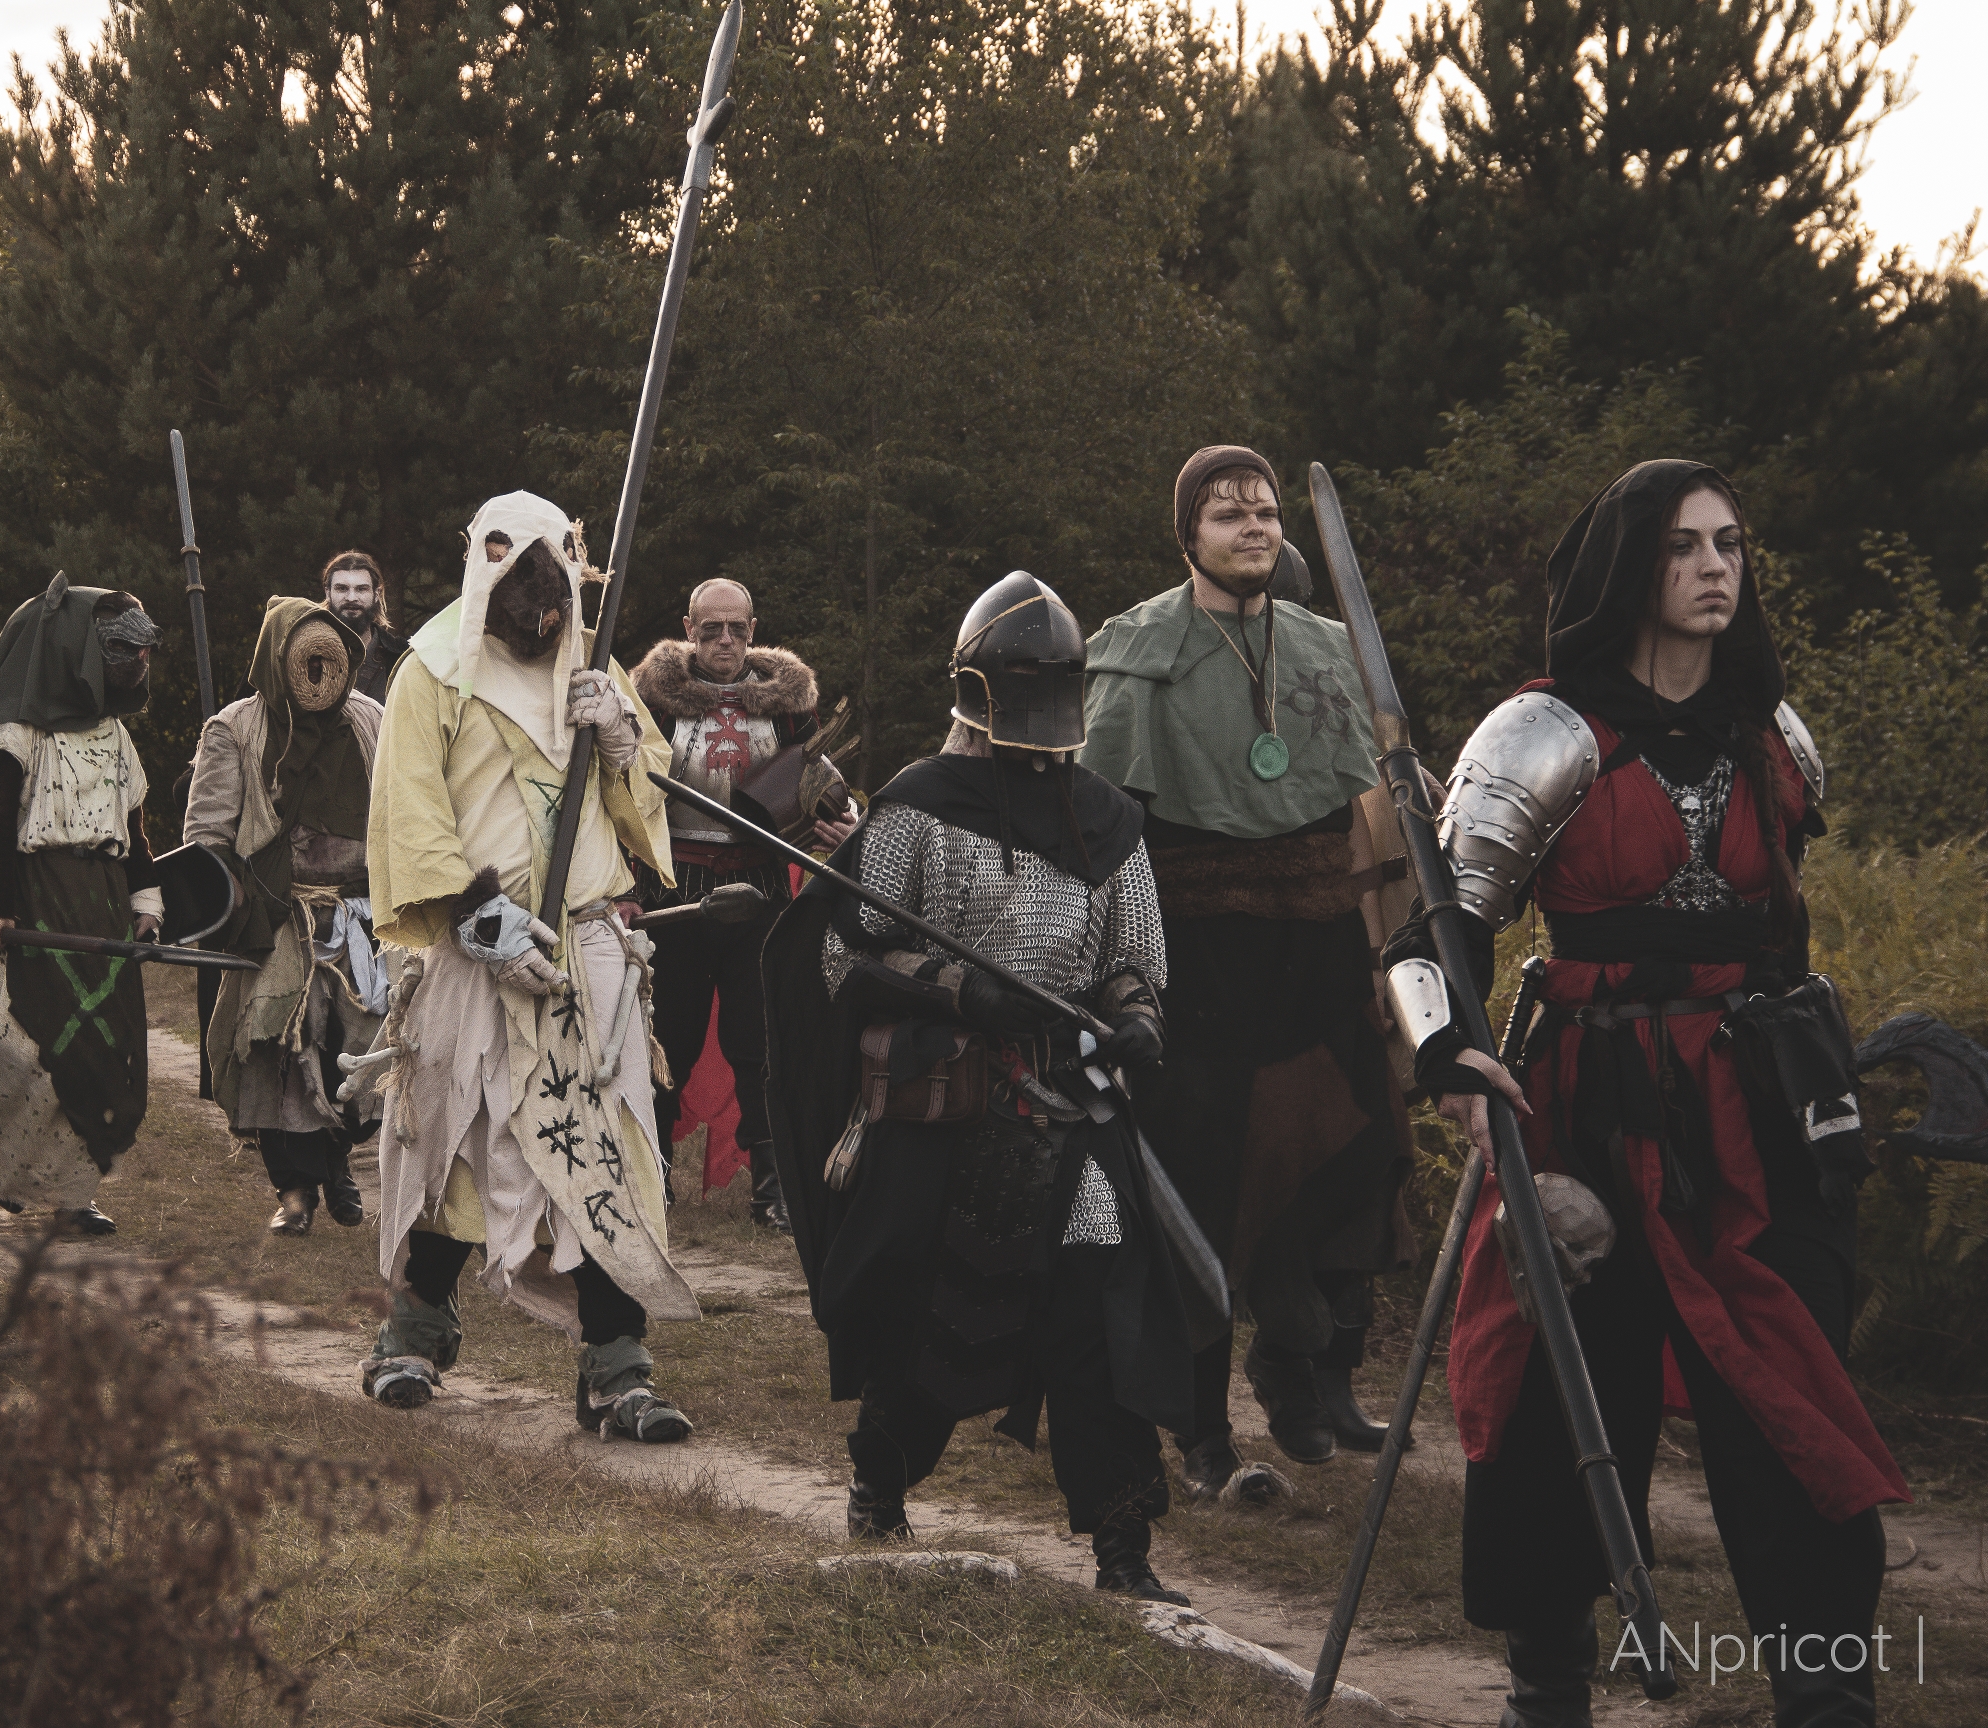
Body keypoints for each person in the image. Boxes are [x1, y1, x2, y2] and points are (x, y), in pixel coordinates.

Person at [1383, 461, 1903, 1728]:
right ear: (1630, 568)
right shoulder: (1541, 734)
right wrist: (1449, 1060)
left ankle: (1824, 1690)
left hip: (1757, 1116)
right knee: (1560, 1394)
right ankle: (1548, 1685)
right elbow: (1430, 940)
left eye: (1730, 544)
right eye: (1684, 547)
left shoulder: (1775, 736)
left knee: (1793, 1388)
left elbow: (1785, 934)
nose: (1716, 568)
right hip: (1587, 1110)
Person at [760, 571, 1198, 1602]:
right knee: (932, 1307)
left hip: (1071, 1106)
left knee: (1098, 1310)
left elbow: (1133, 959)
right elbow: (847, 954)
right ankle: (881, 1484)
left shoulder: (1107, 819)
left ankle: (1124, 1548)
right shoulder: (919, 804)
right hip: (947, 1099)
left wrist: (1136, 1014)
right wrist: (961, 990)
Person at [1077, 446, 1416, 1496]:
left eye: (1265, 512)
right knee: (1203, 1179)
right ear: (1189, 533)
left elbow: (1361, 808)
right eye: (1229, 515)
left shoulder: (1327, 645)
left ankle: (1300, 1360)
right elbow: (1106, 825)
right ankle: (1199, 1426)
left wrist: (1385, 938)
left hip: (1320, 940)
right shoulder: (1136, 648)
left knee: (1356, 1143)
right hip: (1198, 950)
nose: (1254, 527)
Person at [359, 490, 700, 1439]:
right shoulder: (432, 671)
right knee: (454, 1141)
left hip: (585, 951)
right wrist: (478, 918)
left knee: (604, 1151)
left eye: (554, 610)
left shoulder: (594, 666)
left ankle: (617, 1367)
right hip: (476, 950)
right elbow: (408, 812)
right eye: (525, 607)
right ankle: (413, 1336)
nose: (541, 625)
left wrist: (623, 738)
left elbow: (645, 801)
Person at [0, 575, 166, 1236]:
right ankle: (12, 1173)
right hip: (37, 899)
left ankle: (74, 1194)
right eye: (123, 649)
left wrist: (145, 899)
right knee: (31, 1043)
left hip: (103, 903)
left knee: (100, 1047)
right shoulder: (14, 733)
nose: (137, 662)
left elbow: (134, 828)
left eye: (142, 652)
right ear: (76, 652)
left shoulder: (114, 734)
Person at [625, 577, 857, 1227]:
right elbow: (620, 791)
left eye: (736, 628)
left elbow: (819, 781)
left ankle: (775, 1186)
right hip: (676, 890)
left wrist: (844, 820)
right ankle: (653, 1178)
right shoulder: (653, 701)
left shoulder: (787, 705)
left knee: (763, 1041)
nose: (724, 640)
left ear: (753, 631)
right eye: (711, 628)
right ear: (689, 629)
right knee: (666, 1037)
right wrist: (625, 882)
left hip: (760, 890)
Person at [184, 596, 385, 1236]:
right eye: (305, 665)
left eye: (331, 664)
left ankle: (336, 1163)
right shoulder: (234, 729)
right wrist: (233, 902)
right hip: (275, 919)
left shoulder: (372, 721)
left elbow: (401, 813)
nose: (319, 678)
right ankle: (295, 1192)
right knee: (275, 1050)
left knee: (355, 1049)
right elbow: (207, 835)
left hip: (359, 918)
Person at [322, 551, 411, 704]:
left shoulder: (402, 657)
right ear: (328, 593)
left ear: (376, 594)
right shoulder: (306, 654)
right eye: (342, 588)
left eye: (361, 589)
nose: (351, 598)